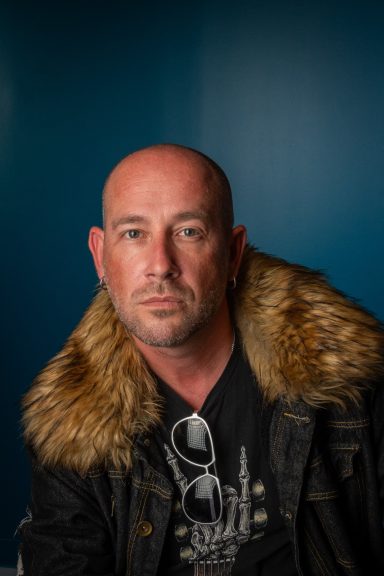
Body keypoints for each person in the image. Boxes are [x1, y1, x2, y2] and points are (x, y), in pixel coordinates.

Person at [20, 144, 384, 576]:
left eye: (188, 231)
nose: (160, 266)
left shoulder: (344, 377)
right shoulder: (71, 422)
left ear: (233, 252)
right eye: (134, 233)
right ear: (100, 255)